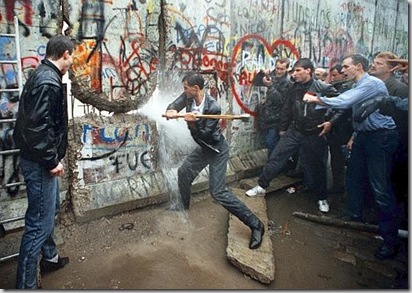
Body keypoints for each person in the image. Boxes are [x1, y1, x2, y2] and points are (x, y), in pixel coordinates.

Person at [302, 53, 400, 260]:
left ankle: (390, 241)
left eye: (346, 67)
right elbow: (359, 112)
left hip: (380, 138)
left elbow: (345, 101)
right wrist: (355, 135)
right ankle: (353, 217)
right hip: (365, 136)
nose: (342, 70)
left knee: (380, 189)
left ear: (358, 67)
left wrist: (316, 98)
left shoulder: (370, 84)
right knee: (353, 177)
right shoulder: (359, 85)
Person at [164, 72, 264, 250]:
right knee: (184, 172)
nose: (184, 90)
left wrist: (193, 123)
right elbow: (175, 104)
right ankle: (183, 206)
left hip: (216, 150)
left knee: (217, 192)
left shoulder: (213, 107)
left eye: (186, 87)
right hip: (204, 148)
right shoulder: (188, 97)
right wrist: (171, 110)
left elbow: (206, 134)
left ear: (196, 88)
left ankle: (256, 225)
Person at [13, 35, 74, 289]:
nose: (73, 59)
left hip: (38, 158)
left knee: (48, 211)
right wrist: (51, 161)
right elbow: (38, 128)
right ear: (65, 54)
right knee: (39, 223)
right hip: (40, 162)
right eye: (73, 55)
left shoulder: (45, 74)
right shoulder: (48, 81)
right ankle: (24, 286)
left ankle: (49, 258)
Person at [245, 58, 338, 213]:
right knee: (276, 156)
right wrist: (282, 128)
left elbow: (341, 104)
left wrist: (330, 122)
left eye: (297, 70)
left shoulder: (322, 87)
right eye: (293, 70)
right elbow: (287, 108)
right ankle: (261, 186)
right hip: (295, 130)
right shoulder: (293, 87)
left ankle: (322, 198)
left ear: (308, 71)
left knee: (317, 166)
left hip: (314, 133)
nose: (294, 73)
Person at [369, 52, 409, 215]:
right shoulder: (373, 84)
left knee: (392, 179)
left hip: (395, 139)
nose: (373, 65)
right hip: (378, 138)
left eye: (379, 63)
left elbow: (403, 116)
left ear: (390, 69)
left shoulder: (399, 88)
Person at [252, 57, 292, 157]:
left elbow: (279, 100)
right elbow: (256, 82)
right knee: (268, 142)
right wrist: (262, 74)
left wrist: (270, 86)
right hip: (266, 116)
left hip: (277, 118)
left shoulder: (288, 82)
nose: (278, 71)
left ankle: (273, 166)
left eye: (282, 69)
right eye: (277, 68)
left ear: (287, 69)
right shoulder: (272, 75)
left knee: (271, 143)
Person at [324, 64, 354, 194]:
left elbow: (343, 109)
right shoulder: (335, 87)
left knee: (344, 162)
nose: (333, 78)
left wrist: (331, 121)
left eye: (336, 75)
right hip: (336, 131)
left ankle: (344, 190)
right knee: (337, 162)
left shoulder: (349, 89)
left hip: (344, 130)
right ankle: (338, 188)